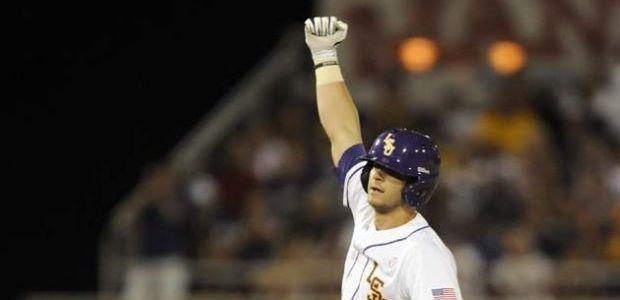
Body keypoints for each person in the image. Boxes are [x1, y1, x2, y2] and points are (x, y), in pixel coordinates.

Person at [304, 16, 463, 299]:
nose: (377, 174)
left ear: (416, 184)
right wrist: (325, 57)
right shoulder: (366, 207)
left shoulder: (424, 255)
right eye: (376, 165)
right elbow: (342, 132)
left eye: (391, 171)